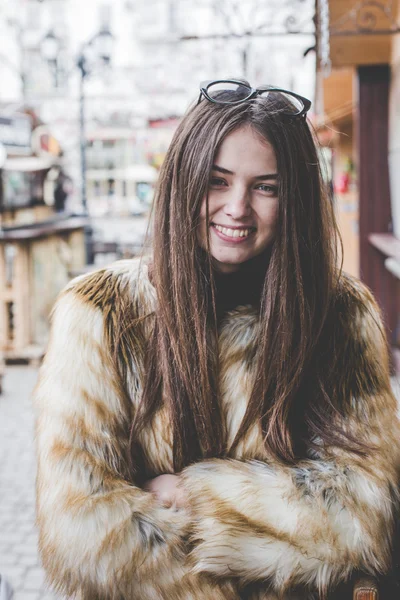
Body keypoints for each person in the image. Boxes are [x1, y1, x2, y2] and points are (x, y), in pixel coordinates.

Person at [34, 79, 400, 600]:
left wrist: (197, 494)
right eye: (217, 180)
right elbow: (84, 533)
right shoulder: (100, 313)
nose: (237, 208)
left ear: (293, 198)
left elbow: (365, 515)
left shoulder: (339, 314)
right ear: (184, 182)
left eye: (266, 187)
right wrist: (273, 542)